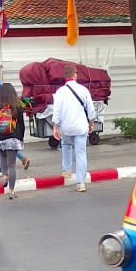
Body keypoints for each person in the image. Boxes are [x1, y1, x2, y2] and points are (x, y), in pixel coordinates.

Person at [51, 64, 92, 192]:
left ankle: (67, 170)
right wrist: (91, 124)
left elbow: (56, 112)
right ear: (75, 74)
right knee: (81, 153)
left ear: (65, 76)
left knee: (66, 146)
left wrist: (55, 127)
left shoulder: (60, 92)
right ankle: (80, 183)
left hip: (66, 127)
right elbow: (90, 110)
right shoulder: (83, 90)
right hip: (80, 126)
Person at [0, 83, 25, 200]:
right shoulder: (16, 106)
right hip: (13, 137)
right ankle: (11, 191)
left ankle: (4, 176)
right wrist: (21, 137)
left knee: (2, 157)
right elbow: (21, 124)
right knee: (12, 165)